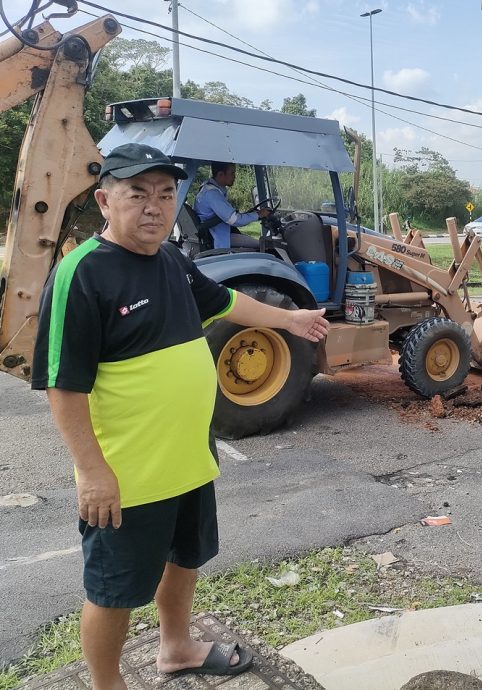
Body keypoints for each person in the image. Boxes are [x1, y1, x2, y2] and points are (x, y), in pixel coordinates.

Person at [30, 143, 329, 689]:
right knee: (113, 590)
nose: (154, 206)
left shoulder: (171, 259)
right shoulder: (81, 275)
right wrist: (93, 472)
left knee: (185, 558)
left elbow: (226, 304)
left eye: (165, 194)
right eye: (137, 193)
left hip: (189, 458)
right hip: (127, 476)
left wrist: (293, 319)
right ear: (104, 200)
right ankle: (106, 684)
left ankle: (175, 648)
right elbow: (63, 387)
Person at [193, 162, 269, 250]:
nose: (234, 176)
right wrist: (259, 214)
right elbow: (235, 220)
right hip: (219, 238)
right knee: (263, 245)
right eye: (232, 173)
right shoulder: (212, 194)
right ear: (221, 174)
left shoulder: (209, 189)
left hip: (220, 233)